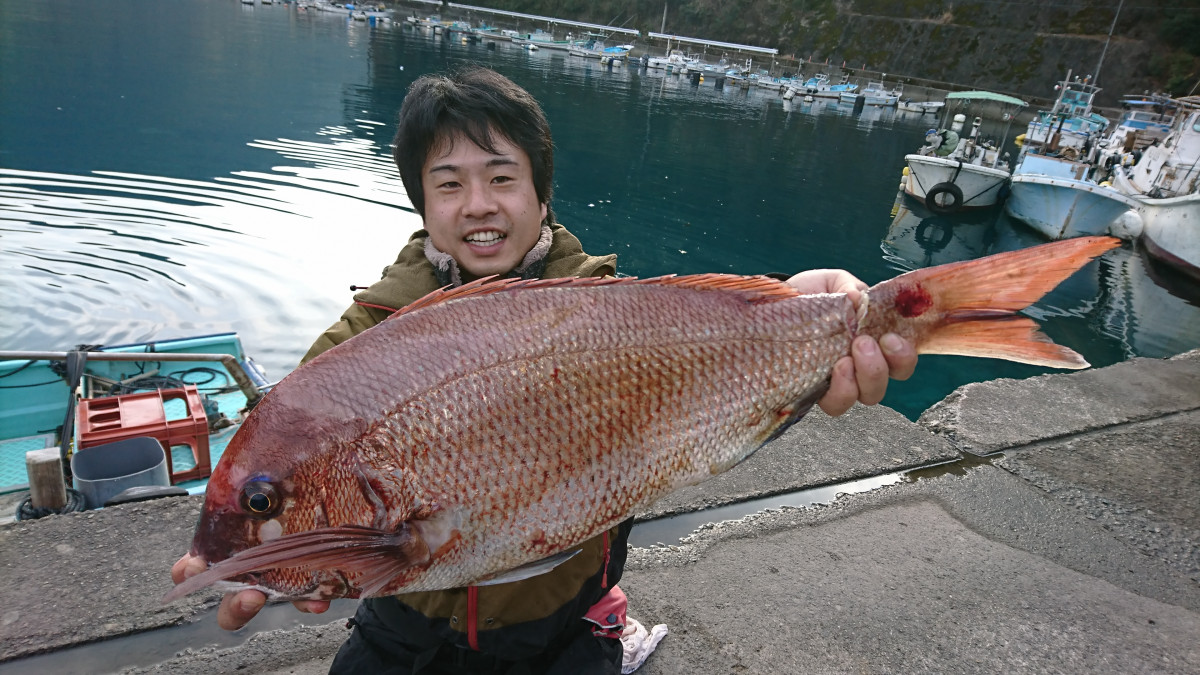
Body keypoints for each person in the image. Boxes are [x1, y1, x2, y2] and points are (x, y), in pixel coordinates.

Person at [173, 66, 917, 674]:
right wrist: (248, 551)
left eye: (502, 177)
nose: (479, 206)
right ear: (421, 203)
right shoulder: (358, 344)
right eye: (449, 184)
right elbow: (281, 464)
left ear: (541, 189)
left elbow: (707, 404)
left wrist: (811, 326)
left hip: (564, 632)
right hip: (402, 634)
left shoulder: (608, 311)